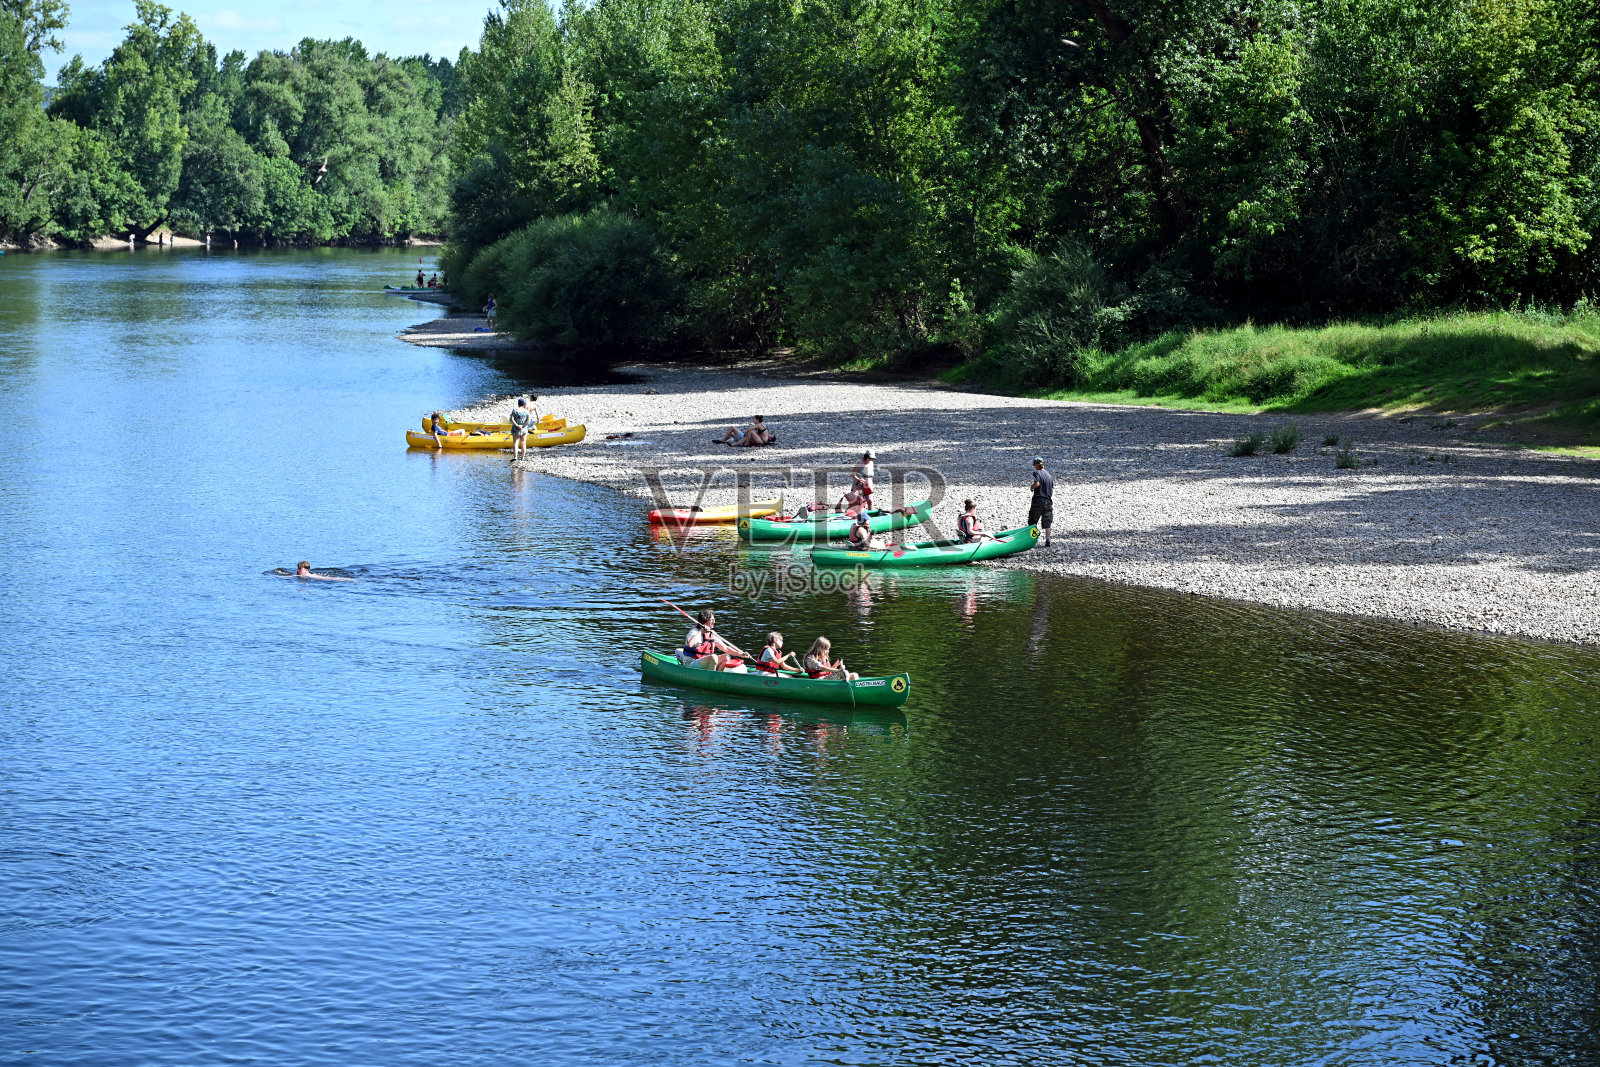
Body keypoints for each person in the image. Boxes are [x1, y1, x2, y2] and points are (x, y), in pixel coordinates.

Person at [677, 608, 746, 671]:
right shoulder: (694, 631)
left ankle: (718, 675)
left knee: (726, 657)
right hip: (691, 663)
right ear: (704, 621)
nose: (714, 622)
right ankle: (711, 677)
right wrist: (701, 631)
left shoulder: (712, 633)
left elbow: (725, 648)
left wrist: (741, 654)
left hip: (705, 662)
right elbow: (690, 644)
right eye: (712, 620)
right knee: (713, 657)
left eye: (714, 619)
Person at [1028, 456, 1054, 548]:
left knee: (1032, 521)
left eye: (1034, 465)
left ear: (1037, 465)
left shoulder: (1037, 473)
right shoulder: (1049, 475)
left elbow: (1037, 483)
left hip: (1038, 501)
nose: (1034, 467)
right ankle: (1048, 540)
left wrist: (1031, 487)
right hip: (1048, 501)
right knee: (1047, 522)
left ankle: (1033, 539)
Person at [273, 561, 351, 581]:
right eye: (298, 568)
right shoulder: (313, 574)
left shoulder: (302, 575)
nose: (297, 570)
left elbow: (289, 576)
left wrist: (276, 574)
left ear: (306, 570)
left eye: (300, 569)